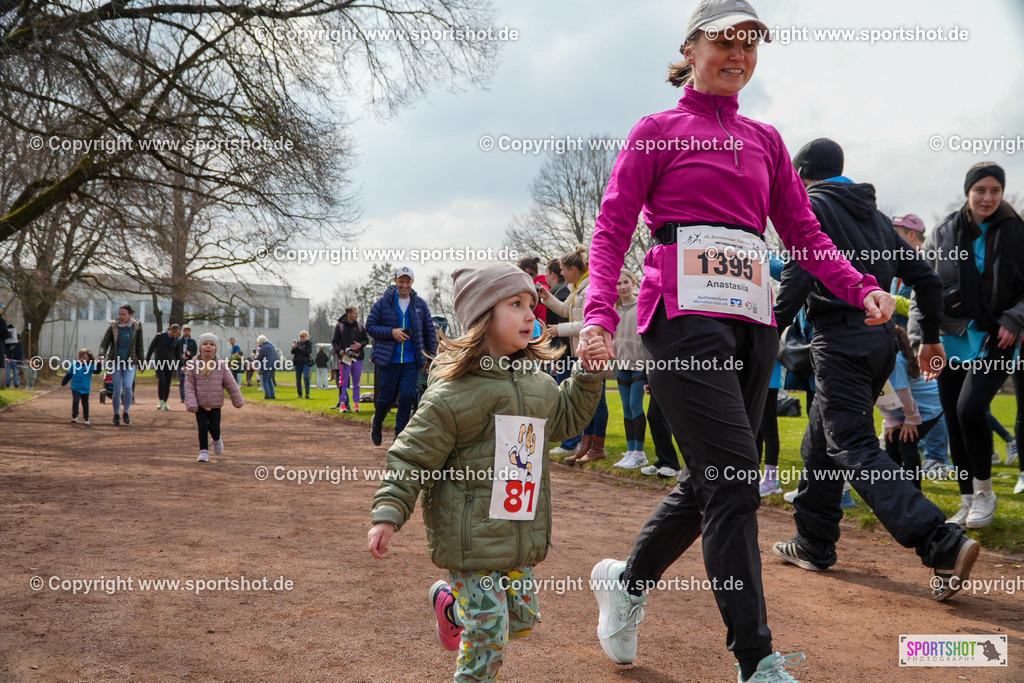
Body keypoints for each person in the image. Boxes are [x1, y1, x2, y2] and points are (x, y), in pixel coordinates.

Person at [576, 5, 903, 678]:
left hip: (754, 324)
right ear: (691, 48)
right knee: (734, 484)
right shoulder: (656, 131)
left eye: (751, 44)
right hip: (681, 320)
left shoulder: (765, 140)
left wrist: (859, 286)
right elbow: (612, 228)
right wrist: (598, 314)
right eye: (725, 41)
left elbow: (805, 233)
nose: (739, 54)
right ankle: (756, 659)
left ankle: (627, 583)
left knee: (714, 478)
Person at [367, 263, 606, 682]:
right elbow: (412, 456)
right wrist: (388, 512)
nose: (530, 314)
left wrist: (587, 374)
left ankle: (450, 607)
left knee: (522, 621)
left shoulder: (537, 383)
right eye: (516, 304)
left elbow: (566, 420)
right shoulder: (451, 394)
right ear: (482, 317)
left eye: (531, 304)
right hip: (469, 535)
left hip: (518, 530)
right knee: (489, 630)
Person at [772, 138, 976, 604]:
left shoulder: (810, 206)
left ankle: (940, 542)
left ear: (801, 174)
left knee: (852, 444)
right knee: (821, 442)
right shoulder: (879, 219)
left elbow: (800, 273)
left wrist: (767, 329)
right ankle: (813, 542)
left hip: (839, 340)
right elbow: (925, 279)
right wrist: (929, 336)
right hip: (881, 340)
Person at [910, 162, 1024, 528]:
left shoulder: (1016, 230)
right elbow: (923, 289)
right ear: (968, 192)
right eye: (980, 190)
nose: (987, 197)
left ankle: (985, 492)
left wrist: (1014, 318)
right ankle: (966, 500)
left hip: (996, 336)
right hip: (948, 339)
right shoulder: (944, 232)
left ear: (1002, 192)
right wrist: (919, 340)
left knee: (971, 410)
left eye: (995, 190)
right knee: (955, 419)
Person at [540, 246, 609, 464]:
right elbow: (565, 311)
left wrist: (559, 330)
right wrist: (547, 297)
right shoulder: (577, 288)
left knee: (597, 400)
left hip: (594, 348)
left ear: (572, 269)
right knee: (587, 398)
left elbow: (589, 323)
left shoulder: (589, 289)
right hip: (583, 350)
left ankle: (597, 447)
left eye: (562, 269)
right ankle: (585, 446)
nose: (560, 273)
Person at [366, 267, 437, 444]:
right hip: (389, 360)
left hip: (411, 361)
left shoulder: (420, 305)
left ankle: (399, 438)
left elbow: (429, 332)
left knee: (407, 397)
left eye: (407, 282)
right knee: (386, 398)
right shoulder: (383, 303)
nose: (404, 285)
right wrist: (392, 332)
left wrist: (430, 358)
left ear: (412, 282)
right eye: (401, 281)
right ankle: (377, 422)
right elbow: (370, 327)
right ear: (395, 281)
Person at [877, 326, 945, 491]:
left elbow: (903, 392)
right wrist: (890, 419)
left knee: (907, 443)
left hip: (928, 406)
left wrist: (911, 418)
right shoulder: (874, 357)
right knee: (891, 442)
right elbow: (877, 391)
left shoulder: (894, 359)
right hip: (906, 408)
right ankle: (895, 491)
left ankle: (914, 494)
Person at [184, 333, 244, 463]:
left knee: (215, 428)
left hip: (216, 404)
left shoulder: (221, 365)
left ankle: (216, 439)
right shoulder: (193, 365)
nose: (208, 347)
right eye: (205, 344)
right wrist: (192, 403)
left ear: (215, 348)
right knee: (202, 427)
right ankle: (203, 452)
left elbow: (231, 384)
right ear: (200, 347)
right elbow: (189, 386)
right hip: (200, 404)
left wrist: (238, 400)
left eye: (211, 344)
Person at [611, 270, 648, 469]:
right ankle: (631, 451)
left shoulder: (642, 304)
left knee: (635, 404)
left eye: (625, 282)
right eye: (618, 283)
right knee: (626, 407)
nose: (622, 287)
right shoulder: (614, 308)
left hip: (639, 363)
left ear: (633, 282)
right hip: (622, 364)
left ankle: (640, 453)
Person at [544, 259, 579, 456]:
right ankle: (571, 442)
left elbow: (562, 333)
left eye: (546, 273)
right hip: (565, 355)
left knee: (567, 399)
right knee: (565, 398)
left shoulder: (564, 292)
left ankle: (571, 443)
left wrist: (557, 358)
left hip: (566, 356)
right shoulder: (563, 292)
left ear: (553, 274)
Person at [98, 304, 144, 425]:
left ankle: (126, 412)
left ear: (130, 315)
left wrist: (142, 362)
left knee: (128, 387)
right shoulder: (113, 326)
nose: (121, 317)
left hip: (130, 362)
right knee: (117, 389)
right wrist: (102, 354)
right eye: (119, 314)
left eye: (124, 314)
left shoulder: (137, 327)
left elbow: (140, 346)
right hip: (115, 362)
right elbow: (104, 344)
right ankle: (116, 414)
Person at [639, 385, 682, 477]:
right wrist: (648, 381)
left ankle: (671, 464)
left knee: (656, 416)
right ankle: (664, 461)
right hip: (658, 379)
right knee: (656, 416)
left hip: (670, 379)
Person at [333, 306, 369, 412]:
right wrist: (339, 350)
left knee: (356, 382)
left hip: (357, 358)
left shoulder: (360, 326)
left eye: (357, 313)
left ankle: (356, 405)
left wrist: (360, 345)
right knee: (343, 382)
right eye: (355, 313)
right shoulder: (340, 326)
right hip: (345, 358)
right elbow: (335, 341)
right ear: (349, 314)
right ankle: (342, 404)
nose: (357, 315)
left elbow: (366, 340)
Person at [61, 348, 102, 425]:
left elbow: (97, 371)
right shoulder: (74, 365)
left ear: (88, 359)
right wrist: (64, 381)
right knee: (75, 401)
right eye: (80, 357)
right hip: (75, 388)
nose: (81, 359)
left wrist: (99, 363)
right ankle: (75, 416)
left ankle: (86, 417)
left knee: (85, 403)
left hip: (85, 389)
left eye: (84, 358)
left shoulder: (90, 366)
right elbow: (69, 374)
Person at [145, 324, 182, 411]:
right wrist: (147, 359)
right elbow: (151, 347)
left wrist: (182, 365)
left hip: (170, 363)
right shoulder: (160, 336)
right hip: (160, 362)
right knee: (162, 380)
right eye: (177, 334)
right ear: (172, 331)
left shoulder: (177, 341)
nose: (177, 336)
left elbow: (178, 354)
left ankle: (165, 401)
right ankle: (161, 400)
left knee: (168, 383)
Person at [517, 256, 549, 322]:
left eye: (518, 272)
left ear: (526, 271)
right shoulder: (543, 286)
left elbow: (543, 316)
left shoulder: (537, 289)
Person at [291, 330, 313, 398]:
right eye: (301, 336)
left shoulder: (308, 343)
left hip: (305, 362)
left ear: (306, 336)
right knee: (298, 378)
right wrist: (294, 348)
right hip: (298, 362)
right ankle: (299, 394)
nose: (302, 337)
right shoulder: (298, 343)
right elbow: (293, 352)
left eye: (303, 336)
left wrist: (297, 348)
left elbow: (306, 352)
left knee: (306, 377)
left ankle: (307, 393)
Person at [178, 325, 197, 403]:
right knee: (182, 380)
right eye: (186, 331)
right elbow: (176, 351)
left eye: (188, 331)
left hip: (189, 363)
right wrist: (181, 356)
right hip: (181, 363)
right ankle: (183, 397)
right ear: (183, 331)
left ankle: (189, 396)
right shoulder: (179, 341)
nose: (187, 332)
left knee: (189, 380)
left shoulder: (192, 342)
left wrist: (190, 354)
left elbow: (195, 353)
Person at [255, 335, 278, 399]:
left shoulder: (263, 348)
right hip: (274, 364)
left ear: (260, 342)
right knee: (269, 379)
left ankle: (267, 395)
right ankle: (272, 394)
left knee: (265, 380)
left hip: (267, 365)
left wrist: (254, 359)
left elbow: (259, 357)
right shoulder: (271, 345)